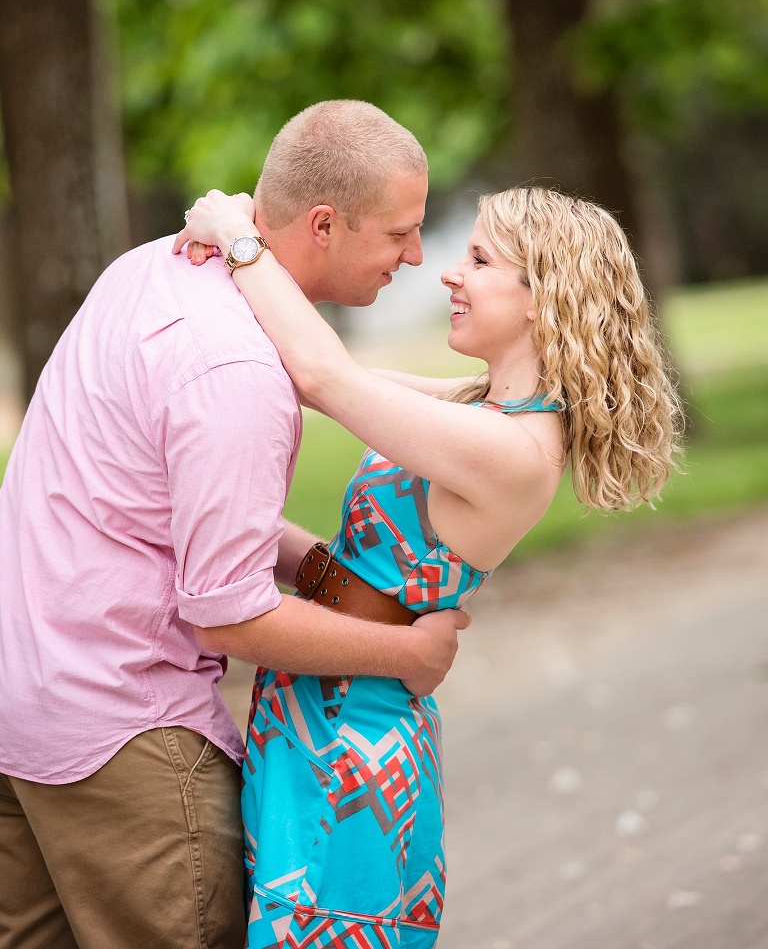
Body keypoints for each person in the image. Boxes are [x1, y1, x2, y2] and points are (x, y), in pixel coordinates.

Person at [0, 101, 470, 949]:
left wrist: (329, 576)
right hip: (125, 738)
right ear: (324, 223)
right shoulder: (236, 372)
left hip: (24, 710)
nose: (415, 256)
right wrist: (410, 652)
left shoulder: (150, 271)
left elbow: (162, 512)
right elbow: (228, 612)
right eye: (400, 233)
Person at [177, 183, 684, 948]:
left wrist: (237, 236)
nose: (449, 272)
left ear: (544, 299)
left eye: (478, 259)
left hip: (356, 754)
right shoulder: (482, 411)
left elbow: (326, 377)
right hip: (322, 717)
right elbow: (308, 378)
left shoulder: (510, 453)